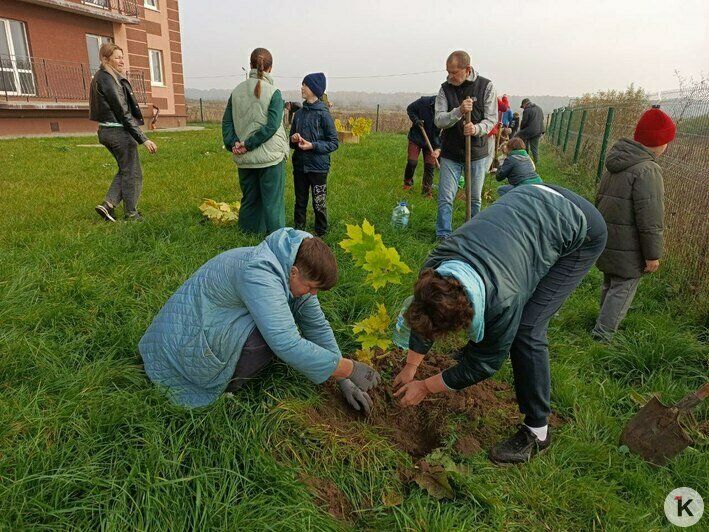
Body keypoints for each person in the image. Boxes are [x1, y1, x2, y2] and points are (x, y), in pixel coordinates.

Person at [392, 184, 607, 464]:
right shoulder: (436, 265)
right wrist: (411, 367)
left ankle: (537, 431)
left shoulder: (503, 301)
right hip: (532, 199)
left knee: (527, 329)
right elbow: (427, 312)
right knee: (507, 316)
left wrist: (425, 387)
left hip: (582, 225)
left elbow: (484, 364)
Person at [139, 228, 381, 410]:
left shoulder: (291, 265)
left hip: (210, 321)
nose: (313, 294)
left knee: (276, 327)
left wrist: (343, 380)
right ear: (294, 272)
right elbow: (286, 342)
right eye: (311, 287)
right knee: (266, 341)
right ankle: (224, 388)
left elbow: (315, 324)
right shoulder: (260, 274)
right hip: (182, 344)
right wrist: (350, 368)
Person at [592, 106, 676, 341]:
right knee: (623, 288)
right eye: (667, 140)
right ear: (659, 142)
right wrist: (652, 254)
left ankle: (601, 322)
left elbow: (599, 199)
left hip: (609, 237)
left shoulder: (616, 162)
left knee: (610, 283)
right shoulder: (648, 170)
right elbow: (650, 216)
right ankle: (603, 337)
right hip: (630, 245)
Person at [222, 48, 289, 234]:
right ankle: (276, 239)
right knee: (272, 202)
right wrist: (249, 144)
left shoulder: (236, 91)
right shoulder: (274, 92)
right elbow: (272, 126)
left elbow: (227, 121)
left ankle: (246, 235)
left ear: (250, 65)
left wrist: (233, 143)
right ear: (271, 68)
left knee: (250, 198)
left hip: (244, 157)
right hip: (271, 158)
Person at [91, 43, 157, 222]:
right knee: (133, 173)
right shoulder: (107, 79)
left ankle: (108, 205)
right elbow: (123, 112)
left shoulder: (101, 77)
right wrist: (143, 138)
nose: (122, 60)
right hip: (118, 132)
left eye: (122, 56)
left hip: (106, 131)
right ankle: (132, 214)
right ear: (105, 59)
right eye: (117, 57)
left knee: (125, 169)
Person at [434, 50, 497, 239]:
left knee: (474, 198)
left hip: (476, 152)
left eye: (454, 72)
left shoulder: (485, 86)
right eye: (447, 71)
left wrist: (476, 129)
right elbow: (439, 120)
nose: (449, 76)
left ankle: (471, 235)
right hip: (451, 152)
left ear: (467, 69)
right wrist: (458, 111)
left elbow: (492, 119)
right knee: (445, 198)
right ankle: (443, 236)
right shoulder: (445, 89)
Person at [290, 73, 339, 236]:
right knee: (300, 201)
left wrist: (313, 145)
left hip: (318, 167)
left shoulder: (323, 114)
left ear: (315, 89)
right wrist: (294, 138)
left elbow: (333, 142)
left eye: (306, 85)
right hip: (299, 166)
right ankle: (298, 233)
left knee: (319, 202)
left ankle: (321, 232)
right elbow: (291, 143)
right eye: (302, 84)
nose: (302, 87)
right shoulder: (299, 114)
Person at [403, 95, 441, 198]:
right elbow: (410, 109)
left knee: (430, 167)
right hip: (417, 137)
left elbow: (447, 132)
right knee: (412, 162)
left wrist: (439, 148)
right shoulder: (424, 102)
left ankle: (426, 192)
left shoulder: (447, 109)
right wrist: (416, 120)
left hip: (433, 142)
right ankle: (407, 183)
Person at [516, 98, 545, 163]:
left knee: (522, 142)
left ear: (524, 104)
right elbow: (542, 118)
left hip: (530, 131)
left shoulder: (527, 110)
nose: (523, 108)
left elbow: (524, 122)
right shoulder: (539, 108)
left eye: (523, 107)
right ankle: (536, 162)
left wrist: (521, 131)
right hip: (539, 130)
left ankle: (525, 159)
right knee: (534, 148)